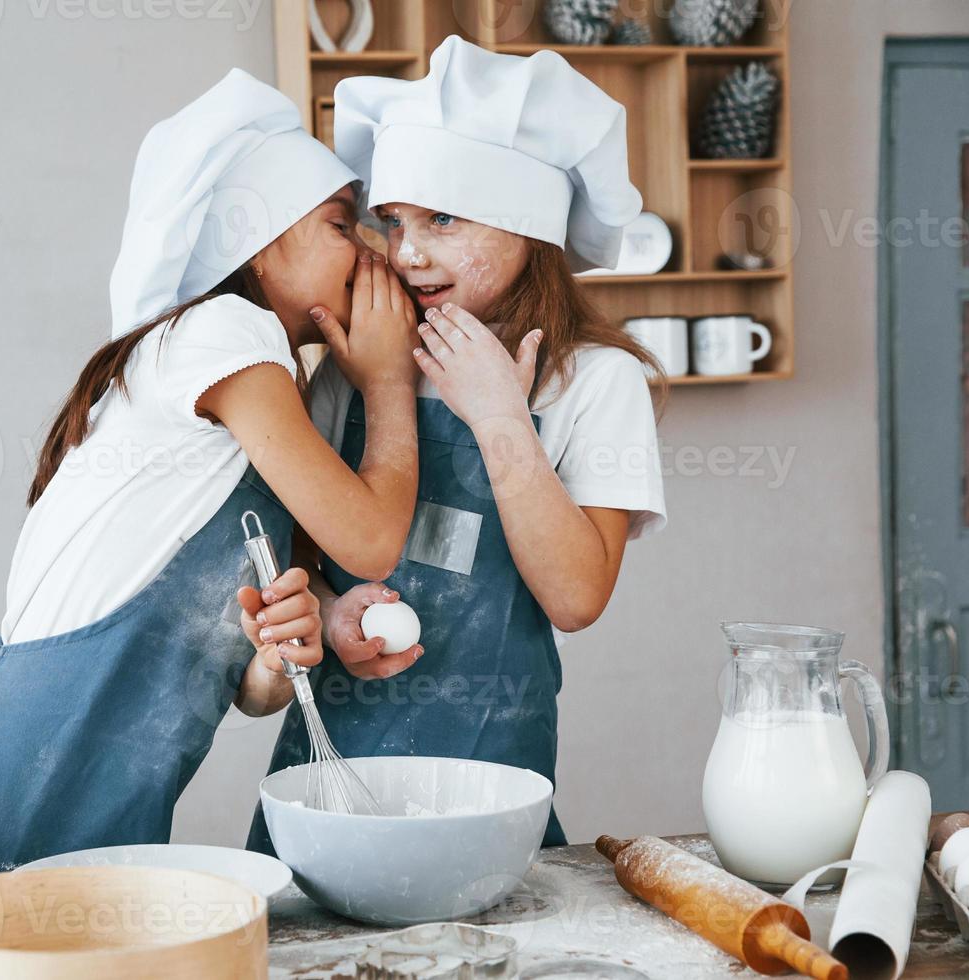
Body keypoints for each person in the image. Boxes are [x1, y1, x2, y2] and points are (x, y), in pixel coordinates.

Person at [0, 69, 421, 889]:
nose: (367, 253)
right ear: (256, 242)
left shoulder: (247, 395)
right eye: (339, 225)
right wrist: (389, 383)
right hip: (33, 764)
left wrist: (299, 631)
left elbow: (249, 691)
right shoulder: (223, 333)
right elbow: (372, 537)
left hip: (97, 774)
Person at [251, 37, 668, 852]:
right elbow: (295, 552)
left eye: (443, 218)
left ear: (526, 224)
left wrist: (502, 419)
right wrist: (334, 615)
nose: (406, 253)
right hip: (330, 778)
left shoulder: (596, 383)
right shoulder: (361, 365)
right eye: (394, 221)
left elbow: (577, 597)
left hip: (492, 776)